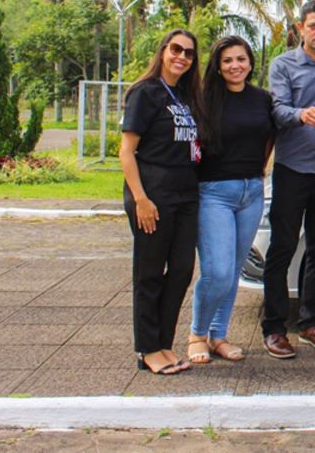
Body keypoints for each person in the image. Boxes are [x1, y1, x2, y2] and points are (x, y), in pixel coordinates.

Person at [261, 0, 315, 359]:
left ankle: (311, 323)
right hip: (293, 169)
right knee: (282, 248)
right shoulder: (283, 64)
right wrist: (300, 114)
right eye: (312, 25)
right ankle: (274, 327)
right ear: (300, 28)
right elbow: (277, 109)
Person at [119, 29, 203, 375]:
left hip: (185, 192)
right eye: (176, 49)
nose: (182, 57)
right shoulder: (146, 92)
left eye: (189, 53)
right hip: (152, 190)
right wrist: (141, 199)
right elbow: (126, 151)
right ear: (163, 51)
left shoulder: (183, 95)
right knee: (150, 272)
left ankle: (164, 344)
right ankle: (148, 349)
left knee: (182, 269)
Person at [188, 36, 274, 364]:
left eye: (241, 59)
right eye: (227, 60)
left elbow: (268, 135)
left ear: (250, 63)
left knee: (235, 269)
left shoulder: (262, 98)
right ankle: (197, 334)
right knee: (218, 271)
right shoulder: (201, 98)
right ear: (217, 65)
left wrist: (259, 169)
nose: (235, 66)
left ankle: (218, 335)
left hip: (251, 191)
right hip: (214, 193)